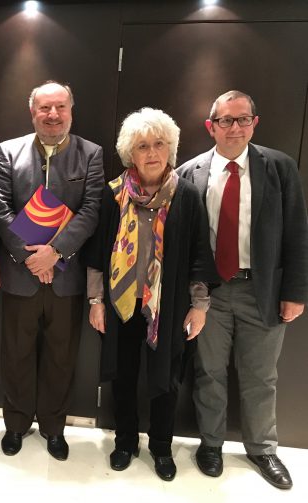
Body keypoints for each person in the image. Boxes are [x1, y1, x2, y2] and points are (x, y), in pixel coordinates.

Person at [177, 90, 308, 490]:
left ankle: (263, 449)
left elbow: (297, 232)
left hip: (262, 290)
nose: (235, 127)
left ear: (255, 123)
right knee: (208, 372)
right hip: (209, 294)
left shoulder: (280, 168)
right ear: (211, 126)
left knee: (261, 375)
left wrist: (295, 292)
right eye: (226, 120)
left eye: (243, 119)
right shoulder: (190, 172)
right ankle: (211, 444)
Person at [86, 107, 217, 481]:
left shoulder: (186, 195)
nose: (152, 152)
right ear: (131, 153)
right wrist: (96, 301)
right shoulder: (113, 194)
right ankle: (125, 441)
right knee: (123, 377)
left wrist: (200, 306)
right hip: (122, 304)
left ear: (170, 147)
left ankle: (161, 446)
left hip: (168, 306)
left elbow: (198, 254)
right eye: (142, 145)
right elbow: (97, 254)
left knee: (166, 380)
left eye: (159, 143)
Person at [0, 81, 104, 460]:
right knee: (16, 354)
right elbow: (0, 207)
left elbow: (91, 210)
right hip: (20, 274)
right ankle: (16, 423)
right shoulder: (8, 151)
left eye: (60, 107)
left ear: (71, 111)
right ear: (32, 112)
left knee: (61, 356)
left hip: (66, 277)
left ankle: (54, 428)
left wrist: (54, 253)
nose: (52, 115)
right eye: (44, 108)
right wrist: (30, 257)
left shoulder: (91, 154)